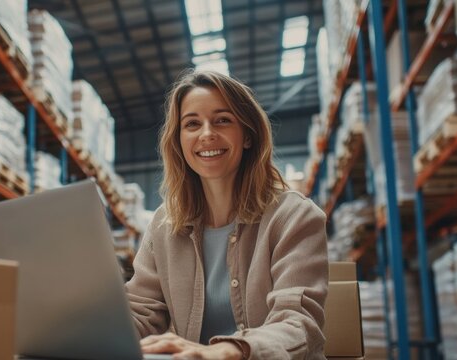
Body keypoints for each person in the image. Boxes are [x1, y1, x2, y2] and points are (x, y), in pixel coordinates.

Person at [125, 69, 328, 360]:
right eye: (192, 124)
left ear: (247, 135)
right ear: (180, 142)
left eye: (222, 120)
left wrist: (228, 351)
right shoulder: (164, 225)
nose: (207, 134)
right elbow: (141, 311)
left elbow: (298, 322)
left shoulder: (295, 217)